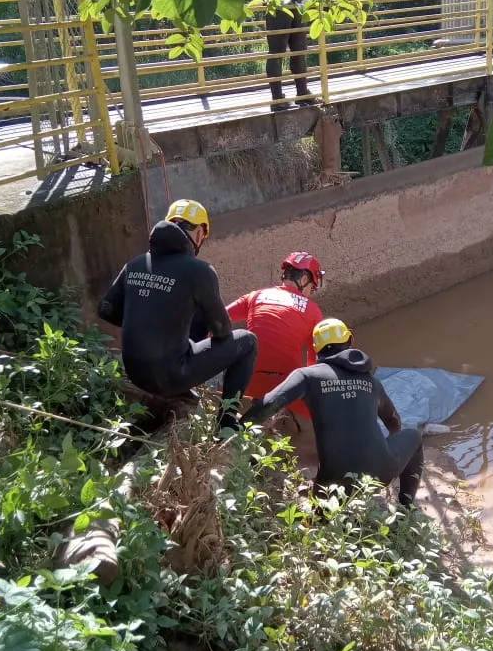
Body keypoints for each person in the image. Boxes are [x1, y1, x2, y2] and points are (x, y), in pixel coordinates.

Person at [97, 199, 257, 431]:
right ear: (200, 233)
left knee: (189, 311)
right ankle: (227, 423)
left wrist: (146, 322)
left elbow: (106, 310)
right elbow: (223, 330)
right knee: (248, 341)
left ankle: (181, 386)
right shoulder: (199, 271)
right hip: (170, 375)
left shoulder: (136, 263)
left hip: (135, 372)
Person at [241, 318, 424, 507]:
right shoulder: (371, 382)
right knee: (414, 436)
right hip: (381, 473)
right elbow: (393, 422)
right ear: (350, 340)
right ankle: (406, 505)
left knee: (321, 505)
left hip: (332, 484)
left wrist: (234, 431)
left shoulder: (307, 376)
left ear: (315, 348)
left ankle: (321, 514)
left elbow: (269, 404)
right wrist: (388, 450)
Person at [226, 252, 324, 419]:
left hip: (244, 384)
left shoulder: (255, 296)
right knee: (321, 410)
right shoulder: (313, 311)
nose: (310, 292)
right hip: (285, 389)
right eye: (312, 287)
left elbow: (217, 319)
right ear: (303, 280)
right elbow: (314, 364)